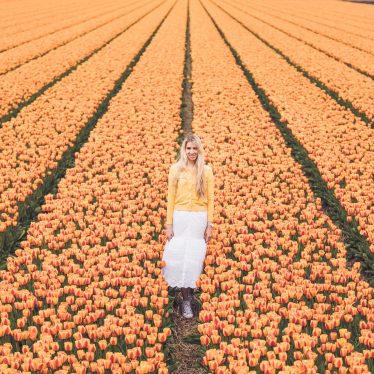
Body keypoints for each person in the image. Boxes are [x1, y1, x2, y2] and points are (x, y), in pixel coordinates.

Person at [162, 133, 214, 319]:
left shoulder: (206, 170)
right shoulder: (176, 169)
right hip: (181, 217)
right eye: (188, 148)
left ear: (199, 150)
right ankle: (185, 300)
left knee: (195, 257)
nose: (192, 152)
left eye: (194, 148)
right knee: (180, 255)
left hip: (199, 218)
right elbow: (171, 198)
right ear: (184, 150)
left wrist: (210, 224)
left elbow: (210, 199)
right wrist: (169, 225)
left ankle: (191, 293)